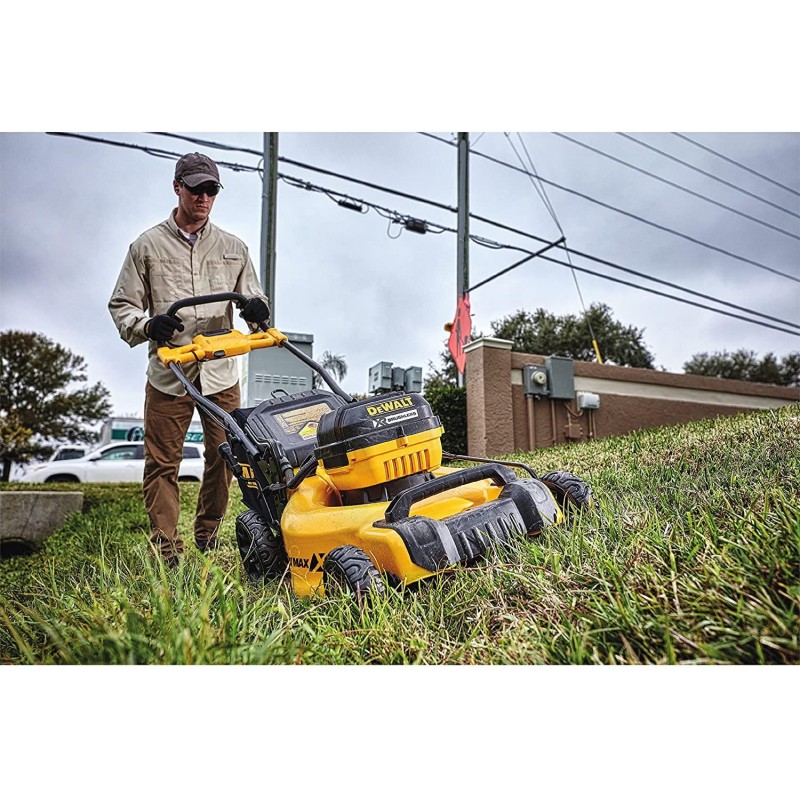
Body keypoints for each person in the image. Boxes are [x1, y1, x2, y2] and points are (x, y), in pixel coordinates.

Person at [109, 152, 270, 567]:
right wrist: (148, 326)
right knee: (163, 462)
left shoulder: (234, 248)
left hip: (219, 372)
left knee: (226, 454)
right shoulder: (146, 246)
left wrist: (256, 311)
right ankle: (166, 547)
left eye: (211, 190)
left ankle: (208, 533)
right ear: (177, 186)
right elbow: (123, 305)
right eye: (196, 188)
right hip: (170, 374)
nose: (203, 197)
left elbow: (256, 298)